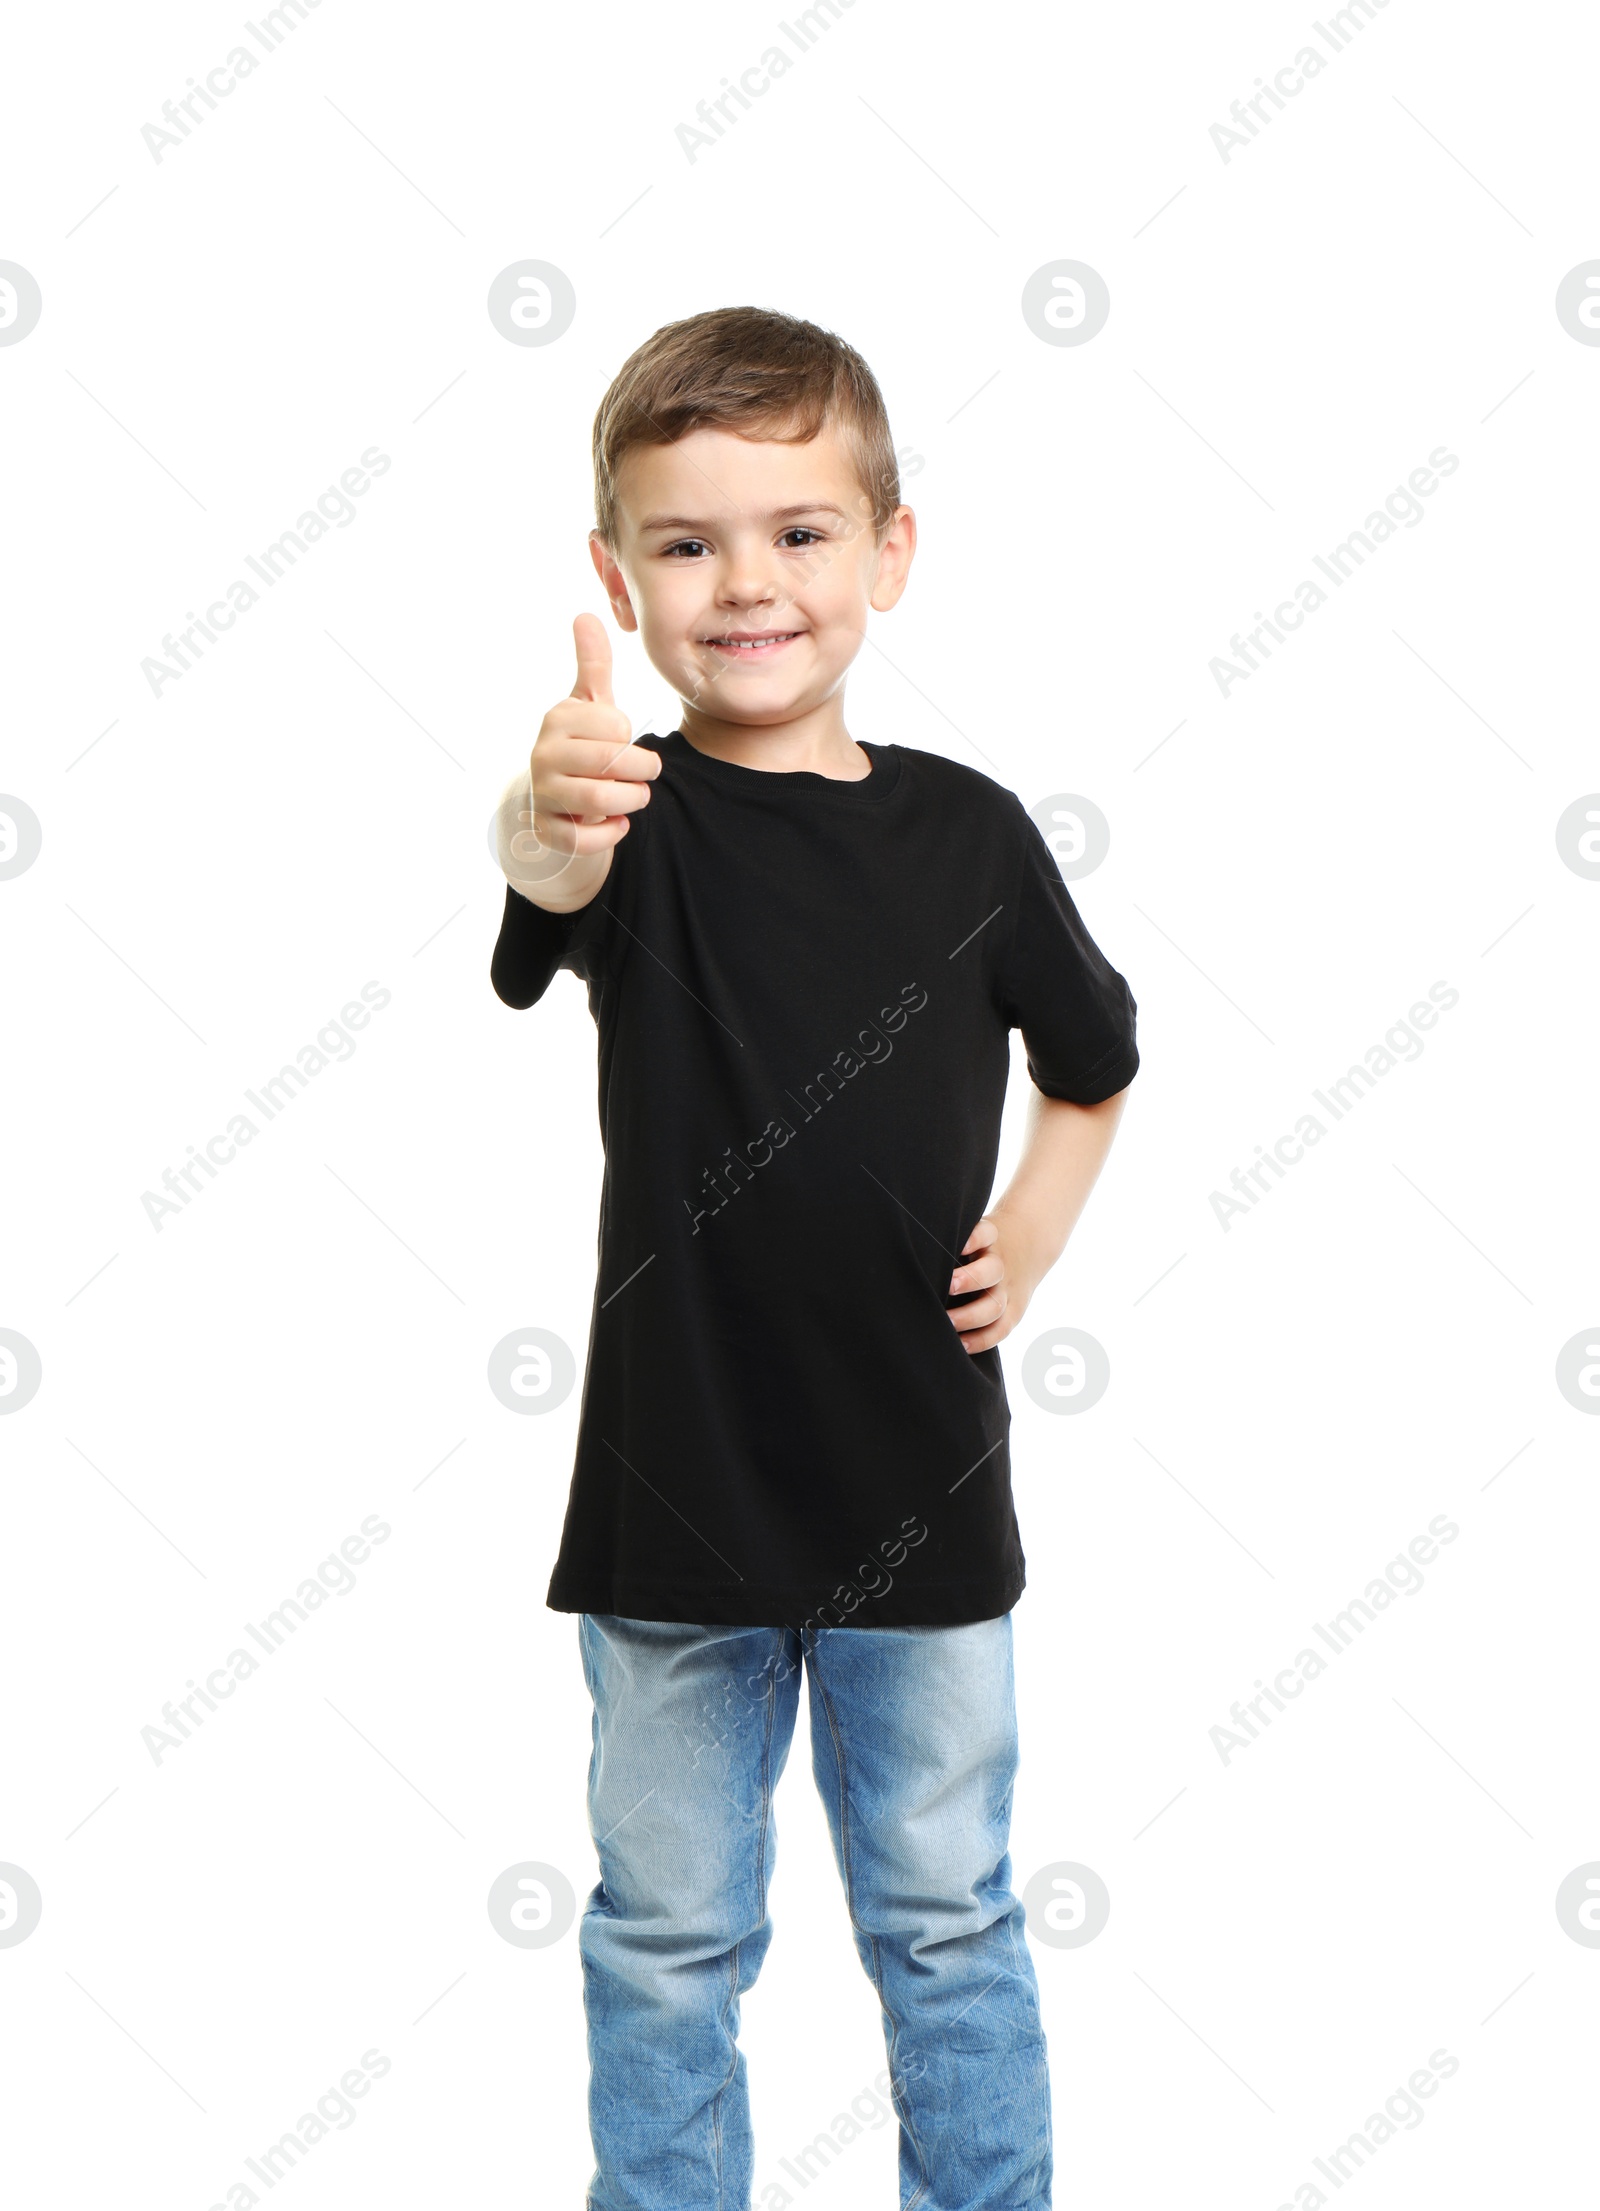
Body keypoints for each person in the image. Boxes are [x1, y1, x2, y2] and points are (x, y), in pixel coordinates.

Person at [490, 304, 1139, 2211]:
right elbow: (547, 871)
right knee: (668, 1935)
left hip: (920, 1500)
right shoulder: (640, 820)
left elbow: (1094, 1066)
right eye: (686, 544)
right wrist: (547, 819)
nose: (745, 583)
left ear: (889, 553)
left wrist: (1030, 1229)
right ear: (622, 575)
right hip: (675, 1510)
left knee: (945, 1924)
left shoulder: (972, 835)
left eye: (796, 531)